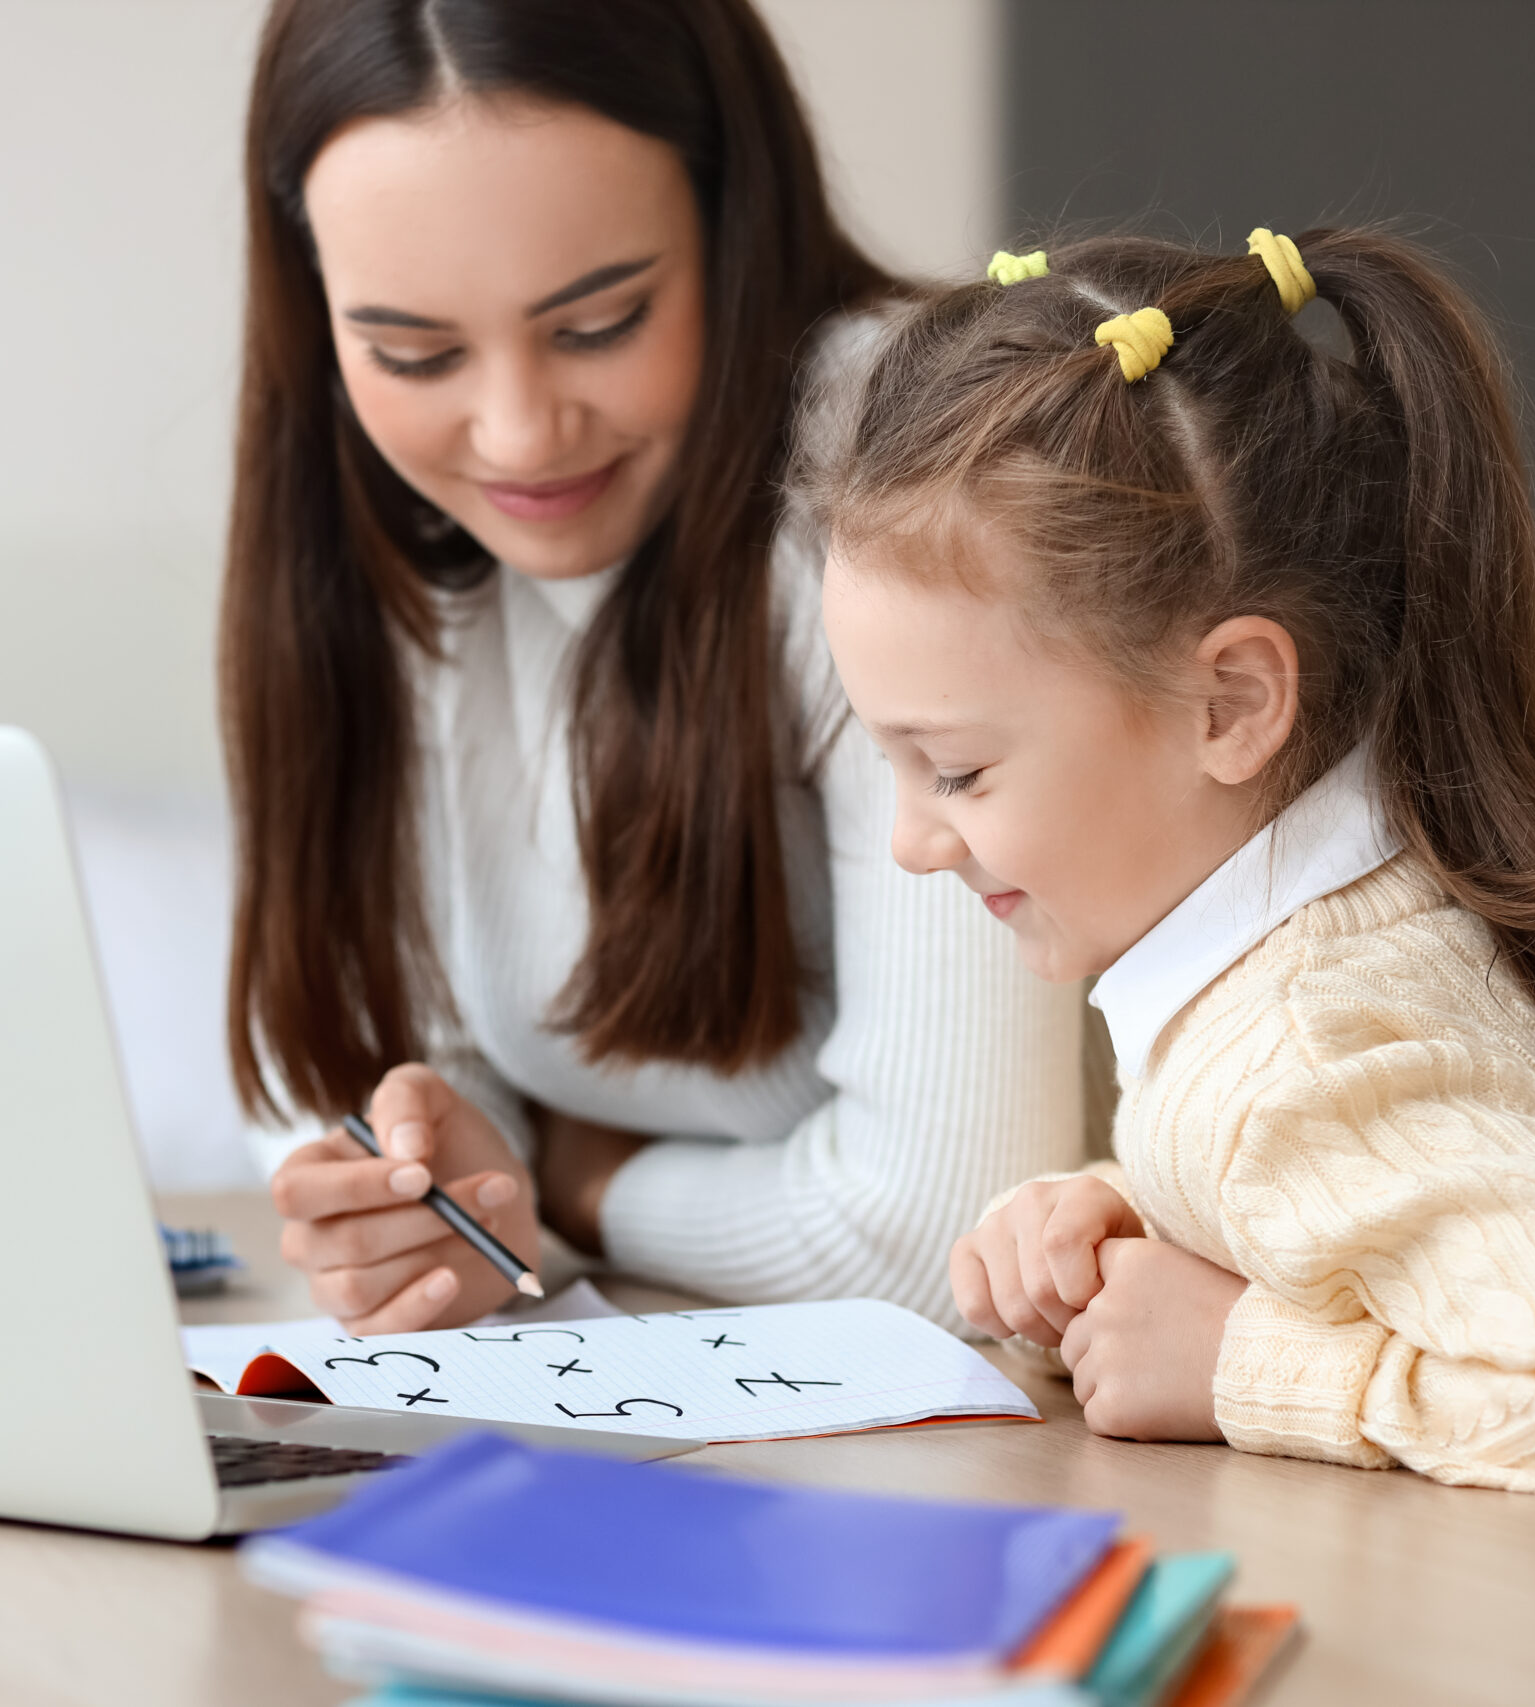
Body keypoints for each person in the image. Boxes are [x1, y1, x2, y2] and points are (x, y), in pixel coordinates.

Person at [809, 225, 1535, 1531]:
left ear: (1229, 702)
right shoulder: (1352, 939)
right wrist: (1141, 1216)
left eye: (953, 771)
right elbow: (1401, 1224)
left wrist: (1242, 1361)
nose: (915, 840)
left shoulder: (1305, 1060)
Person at [224, 0, 1084, 1334]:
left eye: (598, 324)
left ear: (731, 229)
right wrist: (417, 1182)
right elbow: (327, 1068)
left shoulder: (913, 497)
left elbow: (946, 1237)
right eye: (414, 353)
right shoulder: (383, 528)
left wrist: (573, 1180)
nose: (516, 437)